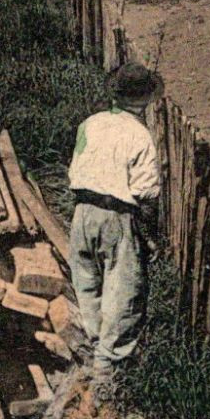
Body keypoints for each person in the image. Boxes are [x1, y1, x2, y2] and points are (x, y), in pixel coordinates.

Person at [67, 62, 163, 381]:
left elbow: (78, 166)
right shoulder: (140, 136)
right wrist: (149, 237)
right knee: (123, 293)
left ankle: (89, 353)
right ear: (147, 99)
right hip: (116, 215)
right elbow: (146, 195)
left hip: (82, 211)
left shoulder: (89, 124)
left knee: (87, 284)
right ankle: (109, 372)